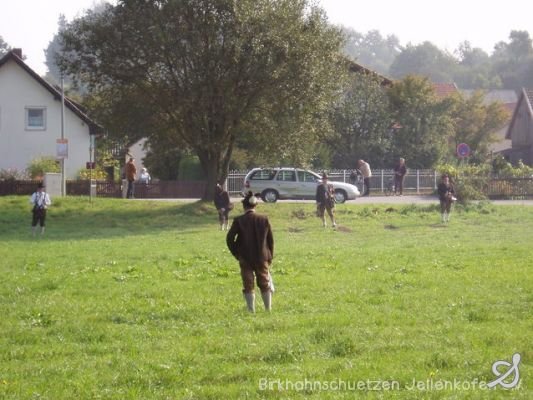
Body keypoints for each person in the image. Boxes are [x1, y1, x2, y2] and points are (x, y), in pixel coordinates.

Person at [226, 191, 274, 313]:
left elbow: (230, 239)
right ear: (255, 205)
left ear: (244, 206)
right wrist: (269, 256)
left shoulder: (239, 220)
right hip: (262, 256)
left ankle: (251, 310)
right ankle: (268, 309)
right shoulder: (264, 219)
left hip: (245, 257)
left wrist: (236, 253)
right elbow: (270, 240)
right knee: (264, 282)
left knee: (248, 283)